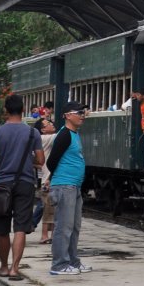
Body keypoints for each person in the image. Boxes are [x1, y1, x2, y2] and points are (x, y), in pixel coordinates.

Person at [0, 95, 45, 281]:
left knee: (2, 228)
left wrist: (2, 160)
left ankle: (3, 266)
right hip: (25, 183)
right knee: (20, 227)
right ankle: (14, 269)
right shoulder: (32, 133)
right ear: (23, 110)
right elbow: (41, 160)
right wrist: (29, 161)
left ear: (6, 110)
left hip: (3, 183)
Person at [47, 102, 89, 276]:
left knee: (74, 227)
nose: (82, 115)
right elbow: (51, 161)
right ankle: (59, 265)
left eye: (83, 112)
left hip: (74, 185)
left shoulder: (75, 134)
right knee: (63, 227)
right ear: (67, 115)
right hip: (64, 185)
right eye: (78, 112)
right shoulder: (64, 135)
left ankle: (72, 261)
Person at [34, 117, 58, 244]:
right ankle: (44, 235)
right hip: (48, 179)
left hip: (48, 177)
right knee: (48, 210)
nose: (52, 124)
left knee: (51, 209)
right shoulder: (45, 138)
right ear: (43, 130)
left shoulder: (41, 139)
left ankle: (52, 235)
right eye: (48, 123)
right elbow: (62, 135)